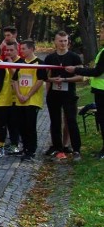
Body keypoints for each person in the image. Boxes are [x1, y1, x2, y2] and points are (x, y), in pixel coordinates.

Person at [44, 31, 83, 160]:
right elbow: (45, 77)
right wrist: (52, 80)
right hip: (54, 94)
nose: (63, 43)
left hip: (69, 94)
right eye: (60, 41)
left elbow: (81, 77)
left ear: (68, 42)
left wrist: (65, 80)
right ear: (55, 42)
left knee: (71, 121)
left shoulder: (74, 57)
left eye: (65, 41)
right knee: (55, 121)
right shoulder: (50, 58)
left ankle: (76, 149)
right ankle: (58, 148)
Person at [13, 39, 46, 161]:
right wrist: (18, 94)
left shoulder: (39, 63)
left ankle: (31, 150)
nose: (21, 51)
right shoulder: (20, 62)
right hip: (20, 99)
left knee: (30, 126)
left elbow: (40, 81)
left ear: (31, 49)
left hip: (32, 100)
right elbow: (15, 79)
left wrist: (28, 96)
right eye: (21, 49)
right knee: (21, 125)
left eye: (24, 49)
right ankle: (25, 147)